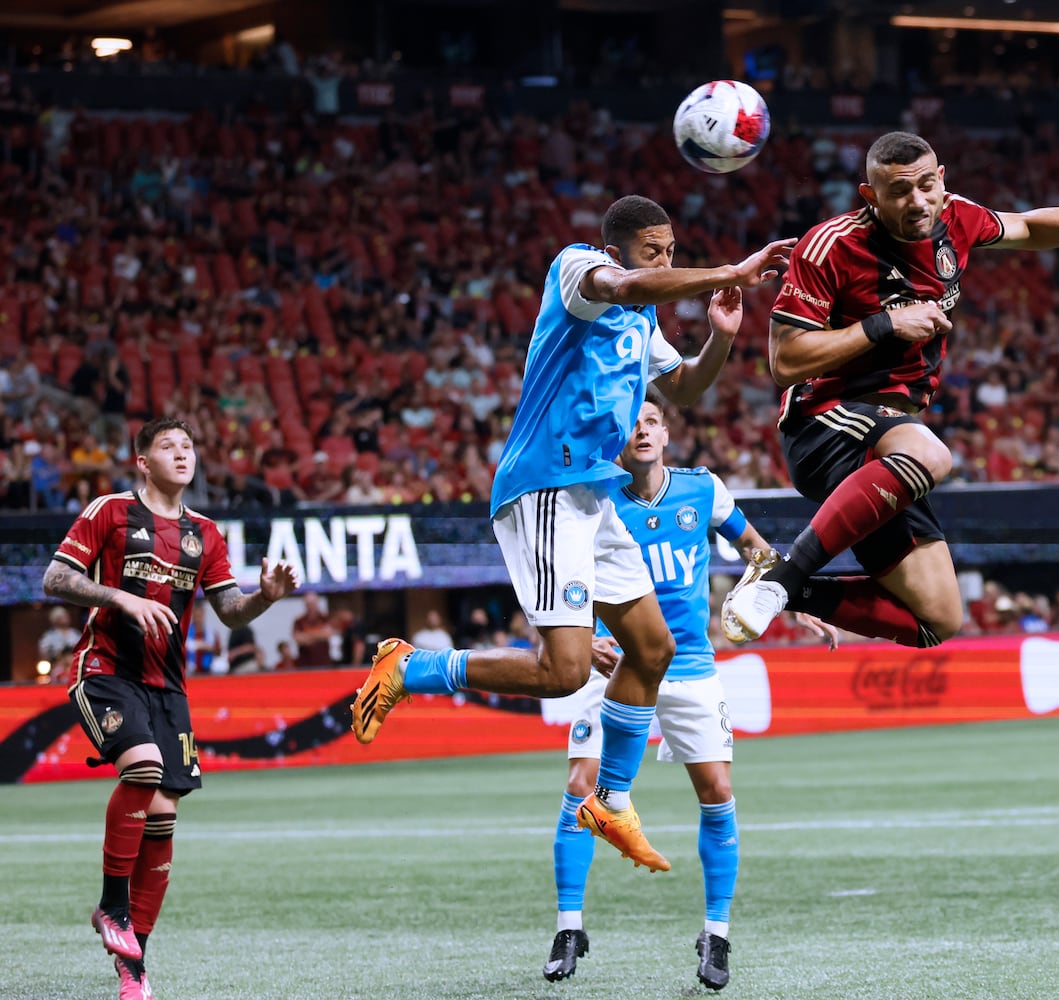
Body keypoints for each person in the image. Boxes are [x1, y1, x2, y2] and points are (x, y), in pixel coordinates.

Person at [350, 196, 794, 872]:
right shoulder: (578, 270)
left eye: (673, 250)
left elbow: (687, 391)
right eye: (656, 250)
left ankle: (610, 801)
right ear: (618, 249)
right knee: (564, 672)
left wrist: (723, 335)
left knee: (653, 648)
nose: (666, 262)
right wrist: (730, 268)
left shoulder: (644, 322)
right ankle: (412, 668)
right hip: (545, 489)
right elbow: (627, 285)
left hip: (591, 494)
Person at [723, 131, 1059, 646]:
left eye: (926, 185)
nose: (916, 201)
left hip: (890, 452)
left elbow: (1029, 225)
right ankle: (785, 580)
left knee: (937, 620)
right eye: (898, 191)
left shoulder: (956, 218)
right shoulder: (830, 245)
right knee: (933, 455)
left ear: (942, 180)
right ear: (869, 196)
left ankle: (788, 587)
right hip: (826, 421)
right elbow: (785, 362)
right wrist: (885, 325)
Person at [543, 396, 834, 989]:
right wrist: (575, 638)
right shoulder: (589, 501)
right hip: (614, 666)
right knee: (581, 786)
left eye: (651, 420)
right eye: (630, 424)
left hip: (691, 667)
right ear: (615, 441)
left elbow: (755, 549)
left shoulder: (702, 490)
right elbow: (551, 581)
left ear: (667, 434)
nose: (641, 430)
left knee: (718, 791)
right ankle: (569, 926)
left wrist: (794, 600)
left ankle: (717, 935)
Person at [41, 417, 299, 1000]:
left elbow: (230, 609)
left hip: (168, 687)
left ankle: (134, 967)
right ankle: (111, 907)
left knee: (162, 819)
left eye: (188, 445)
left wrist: (265, 597)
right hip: (105, 669)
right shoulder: (109, 510)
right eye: (168, 446)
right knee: (145, 767)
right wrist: (119, 597)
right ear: (142, 460)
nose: (182, 454)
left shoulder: (205, 532)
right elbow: (56, 576)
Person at [38, 604, 82, 684]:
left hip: (75, 666)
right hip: (58, 666)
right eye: (62, 617)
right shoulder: (49, 637)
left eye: (66, 616)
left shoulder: (75, 634)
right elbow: (44, 654)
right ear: (55, 620)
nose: (65, 619)